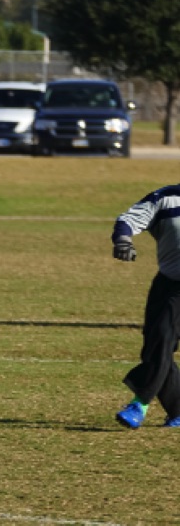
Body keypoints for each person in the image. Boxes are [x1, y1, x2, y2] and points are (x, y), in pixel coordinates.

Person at [112, 184, 180, 429]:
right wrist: (123, 240)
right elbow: (128, 220)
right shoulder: (165, 198)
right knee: (157, 345)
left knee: (161, 343)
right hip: (169, 286)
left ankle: (139, 404)